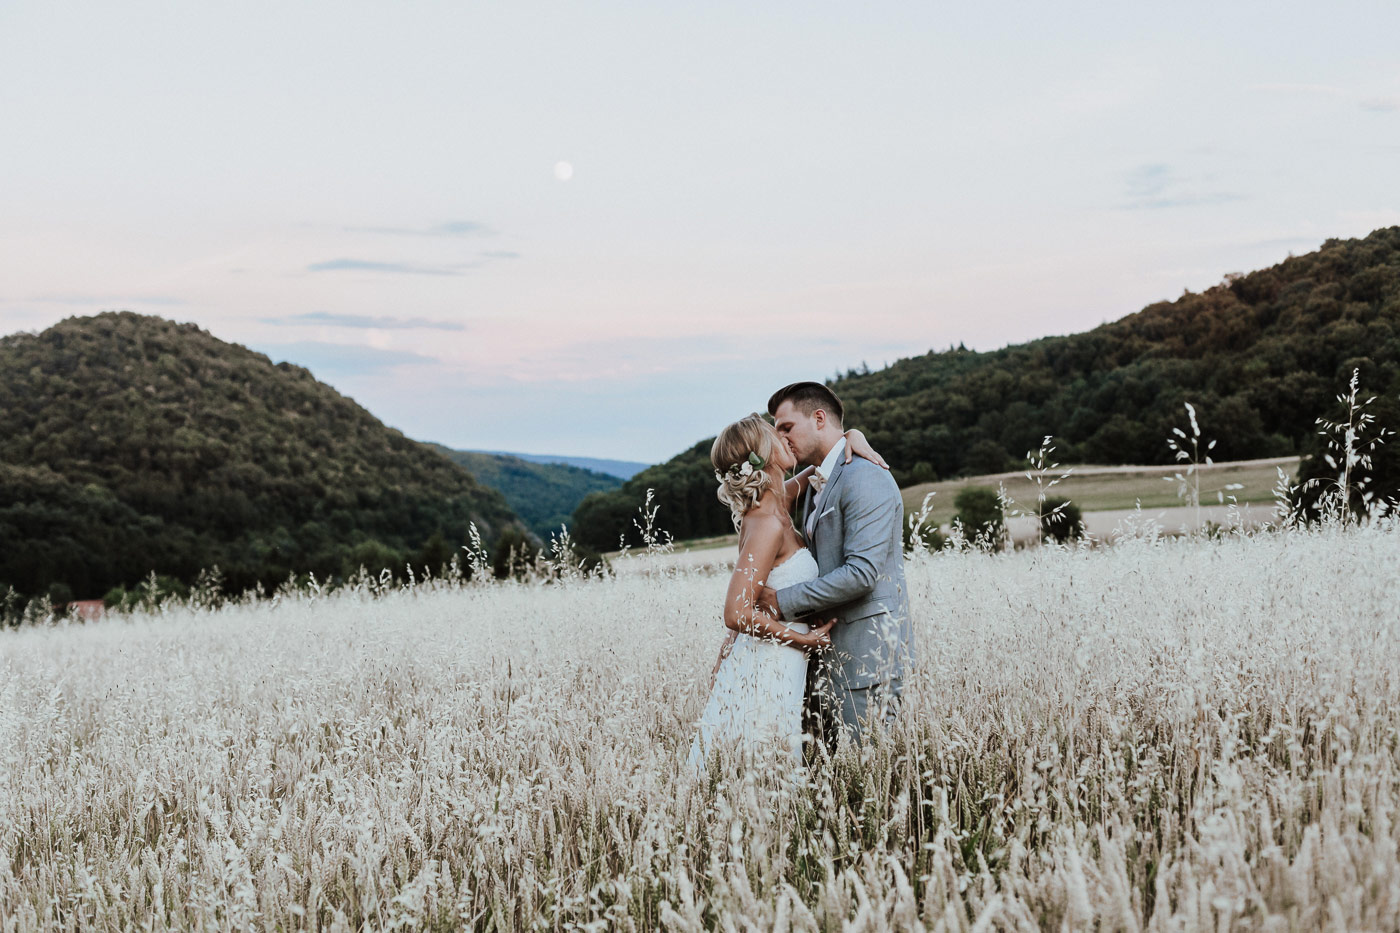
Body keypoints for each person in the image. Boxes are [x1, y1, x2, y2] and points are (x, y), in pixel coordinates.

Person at [687, 413, 886, 770]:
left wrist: (853, 435)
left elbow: (819, 470)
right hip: (768, 662)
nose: (785, 438)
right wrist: (803, 642)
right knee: (764, 767)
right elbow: (735, 613)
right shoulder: (764, 522)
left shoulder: (779, 501)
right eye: (775, 434)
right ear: (763, 454)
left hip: (784, 658)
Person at [756, 381, 912, 750]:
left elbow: (861, 573)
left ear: (820, 418)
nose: (780, 438)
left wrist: (779, 601)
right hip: (823, 656)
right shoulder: (814, 480)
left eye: (786, 427)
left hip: (867, 659)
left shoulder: (866, 476)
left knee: (868, 776)